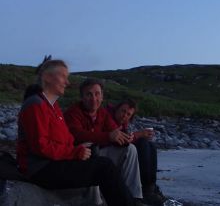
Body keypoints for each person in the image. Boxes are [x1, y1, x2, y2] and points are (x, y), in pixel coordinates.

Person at [17, 59, 135, 206]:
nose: (67, 83)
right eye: (63, 77)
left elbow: (67, 139)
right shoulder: (35, 105)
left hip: (55, 162)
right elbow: (40, 147)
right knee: (104, 167)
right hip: (41, 169)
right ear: (47, 77)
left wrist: (78, 148)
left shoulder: (54, 107)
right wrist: (74, 153)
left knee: (94, 154)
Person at [64, 78, 146, 206]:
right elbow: (78, 135)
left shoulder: (102, 113)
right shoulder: (73, 113)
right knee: (93, 149)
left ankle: (134, 197)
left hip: (100, 153)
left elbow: (114, 130)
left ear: (102, 96)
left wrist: (125, 139)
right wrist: (108, 136)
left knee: (130, 149)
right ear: (82, 97)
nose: (94, 98)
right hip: (80, 156)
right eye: (89, 94)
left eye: (97, 94)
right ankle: (97, 201)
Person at [107, 99, 167, 206]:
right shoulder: (108, 117)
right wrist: (138, 135)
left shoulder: (121, 123)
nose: (124, 115)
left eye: (128, 114)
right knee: (141, 144)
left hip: (115, 149)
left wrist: (139, 136)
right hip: (108, 151)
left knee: (151, 146)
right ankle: (145, 190)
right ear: (117, 109)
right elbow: (120, 140)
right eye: (123, 111)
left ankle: (151, 186)